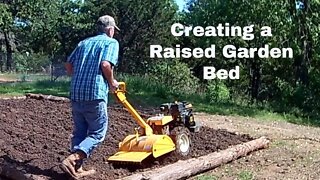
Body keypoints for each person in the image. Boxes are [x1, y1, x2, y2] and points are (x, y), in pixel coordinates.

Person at [60, 15, 120, 179]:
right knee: (97, 133)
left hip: (76, 93)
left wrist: (77, 76)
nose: (114, 32)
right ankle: (73, 159)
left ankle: (76, 169)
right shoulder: (111, 42)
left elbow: (68, 64)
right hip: (95, 93)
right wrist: (112, 82)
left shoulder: (83, 43)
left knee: (80, 132)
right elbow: (106, 64)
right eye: (114, 30)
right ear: (110, 29)